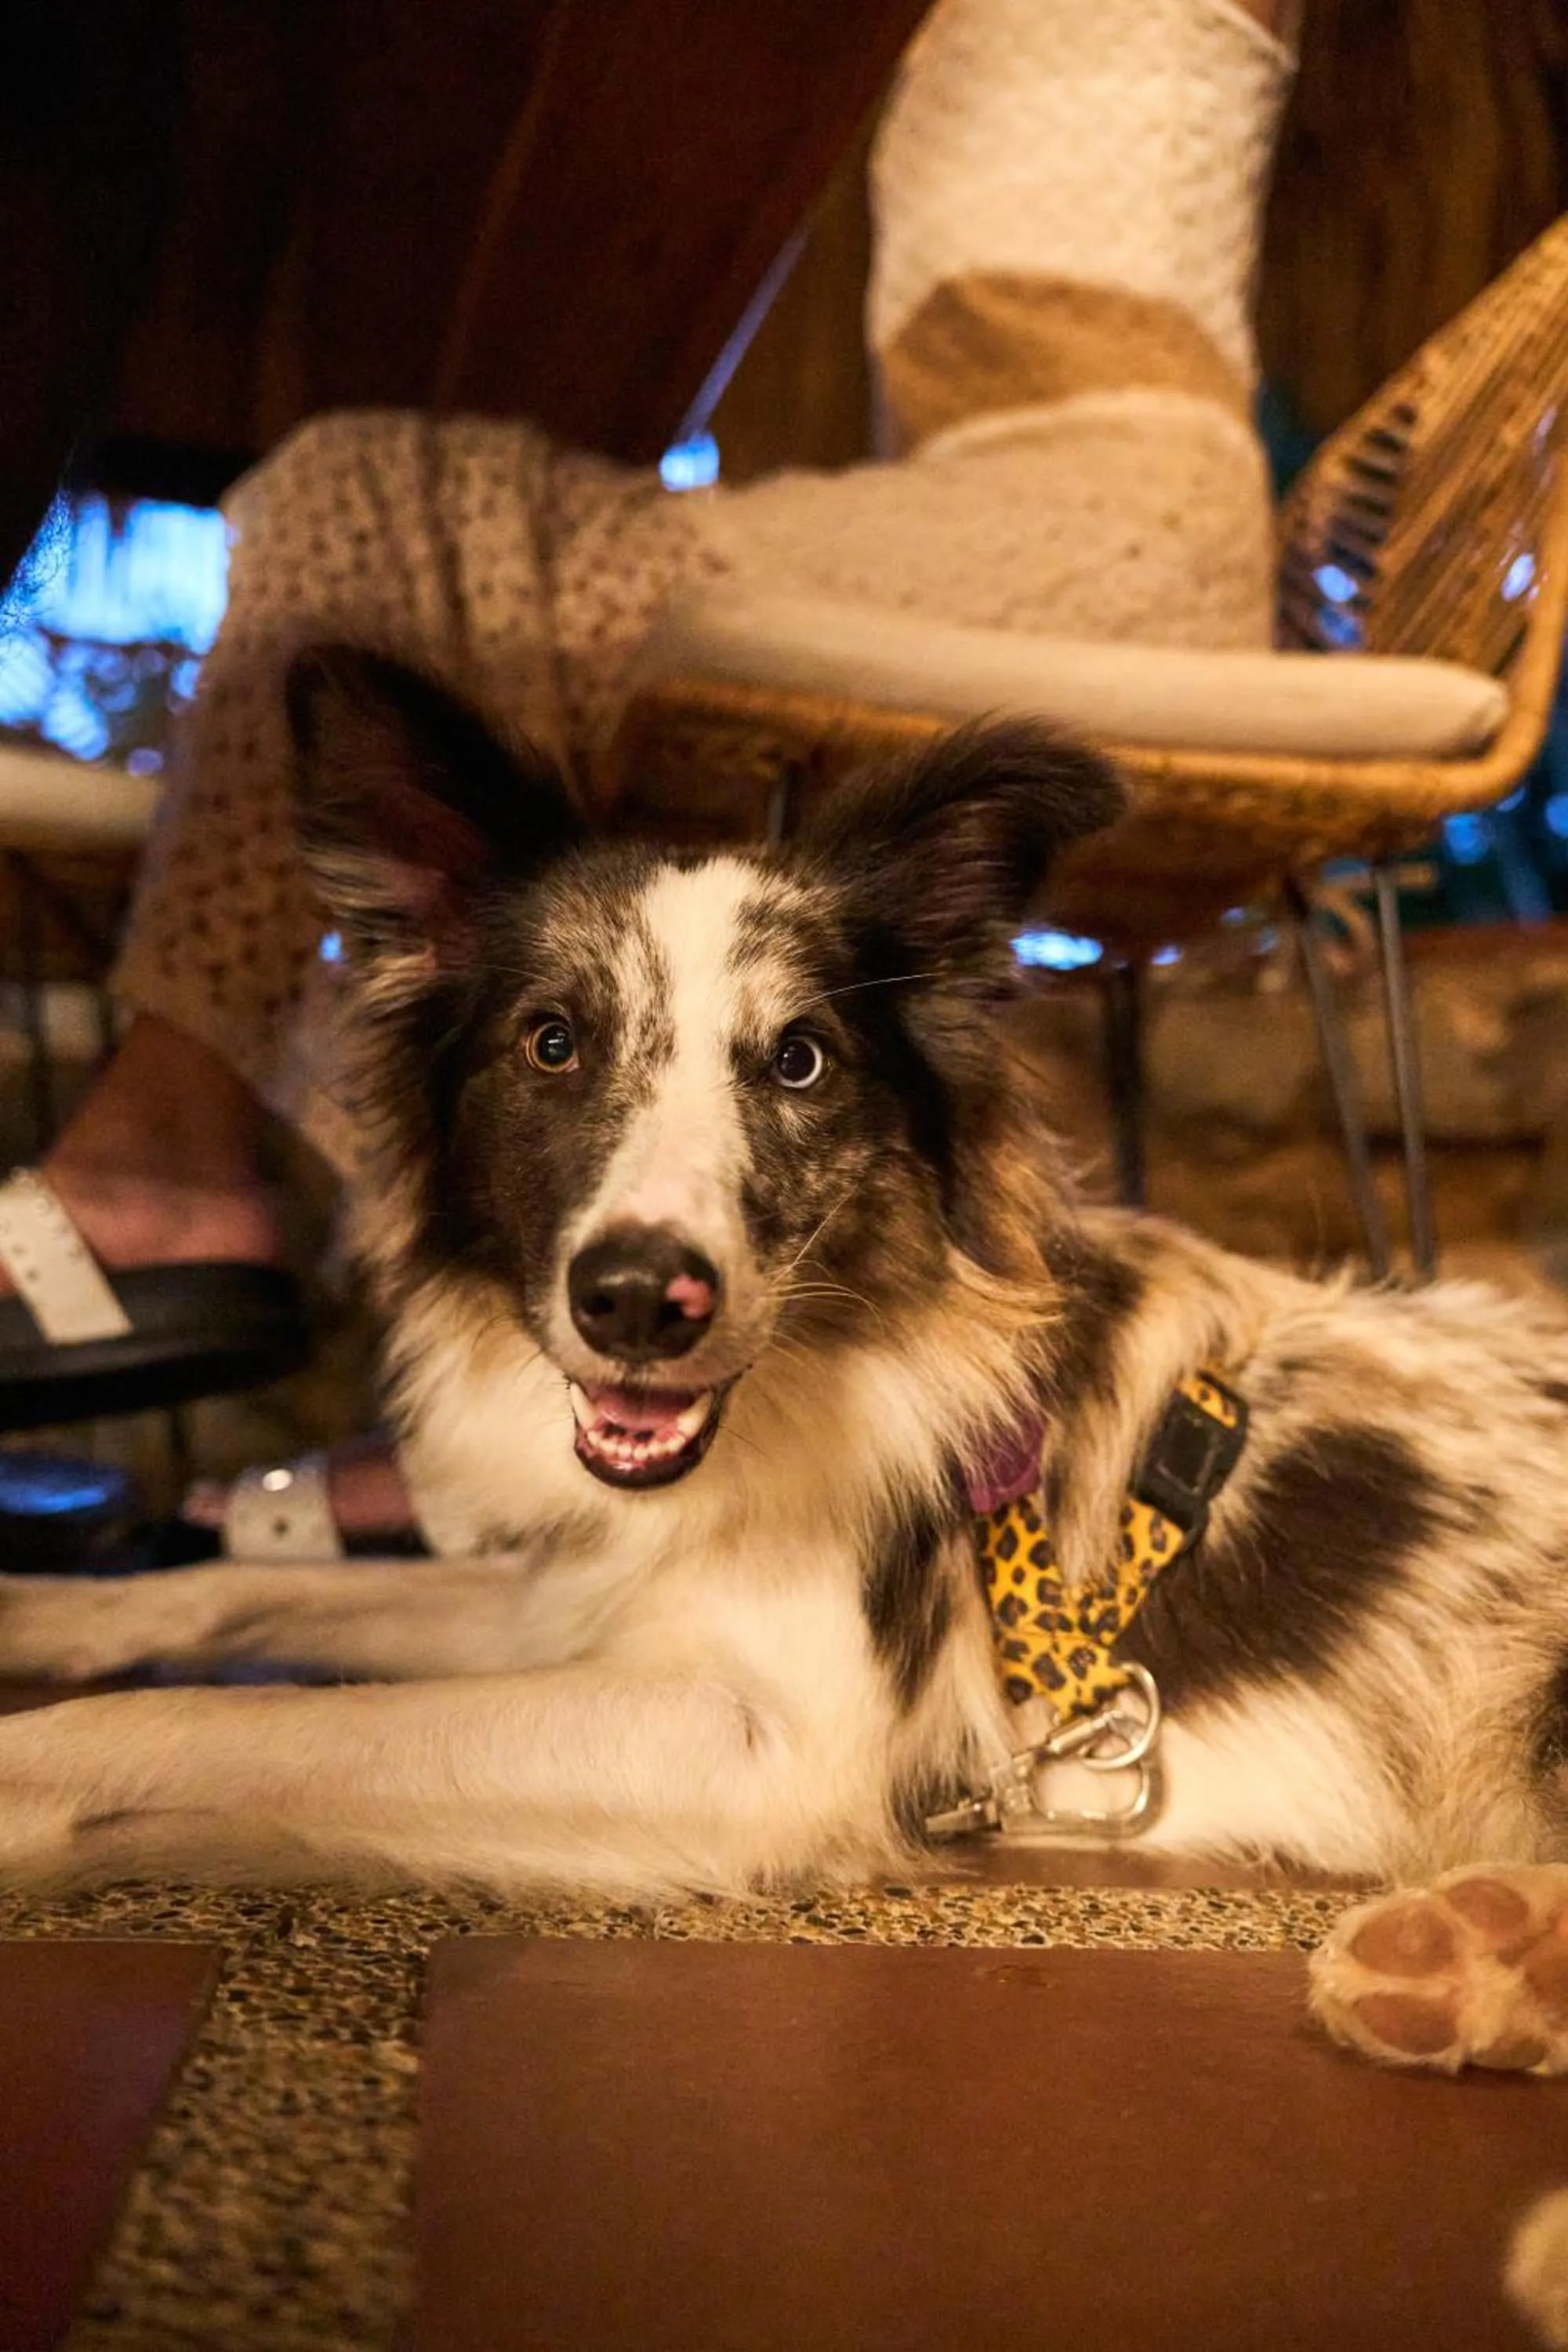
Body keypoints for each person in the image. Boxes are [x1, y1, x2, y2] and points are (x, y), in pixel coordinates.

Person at [0, 0, 1297, 1554]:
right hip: (995, 502)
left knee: (371, 497)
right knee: (415, 535)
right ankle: (456, 1339)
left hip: (1115, 514)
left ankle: (161, 1161)